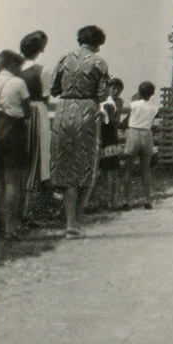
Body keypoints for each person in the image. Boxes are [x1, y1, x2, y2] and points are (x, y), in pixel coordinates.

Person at [50, 25, 110, 237]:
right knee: (86, 166)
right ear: (98, 43)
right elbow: (102, 95)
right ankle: (77, 221)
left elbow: (53, 89)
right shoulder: (99, 63)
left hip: (64, 111)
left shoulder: (64, 59)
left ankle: (69, 223)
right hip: (87, 111)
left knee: (66, 167)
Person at [0, 49, 31, 239]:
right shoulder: (18, 83)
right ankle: (10, 228)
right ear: (11, 65)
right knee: (13, 182)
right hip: (13, 132)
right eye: (19, 66)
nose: (20, 70)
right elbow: (27, 111)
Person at [18, 30, 51, 223]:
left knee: (23, 160)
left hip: (18, 114)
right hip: (37, 112)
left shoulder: (15, 69)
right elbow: (46, 98)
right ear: (40, 50)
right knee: (37, 160)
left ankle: (20, 210)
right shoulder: (42, 70)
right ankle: (28, 212)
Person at [122, 81, 159, 208]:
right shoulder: (154, 108)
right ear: (151, 94)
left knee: (128, 169)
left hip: (134, 133)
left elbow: (127, 118)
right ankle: (147, 199)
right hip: (147, 134)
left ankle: (126, 201)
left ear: (139, 92)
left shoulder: (134, 104)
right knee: (146, 170)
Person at [99, 77, 125, 208]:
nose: (115, 91)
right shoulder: (107, 104)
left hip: (111, 137)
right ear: (109, 89)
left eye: (118, 89)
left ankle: (110, 200)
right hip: (107, 137)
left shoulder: (115, 102)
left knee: (112, 170)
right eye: (113, 88)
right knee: (109, 170)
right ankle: (109, 201)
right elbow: (113, 122)